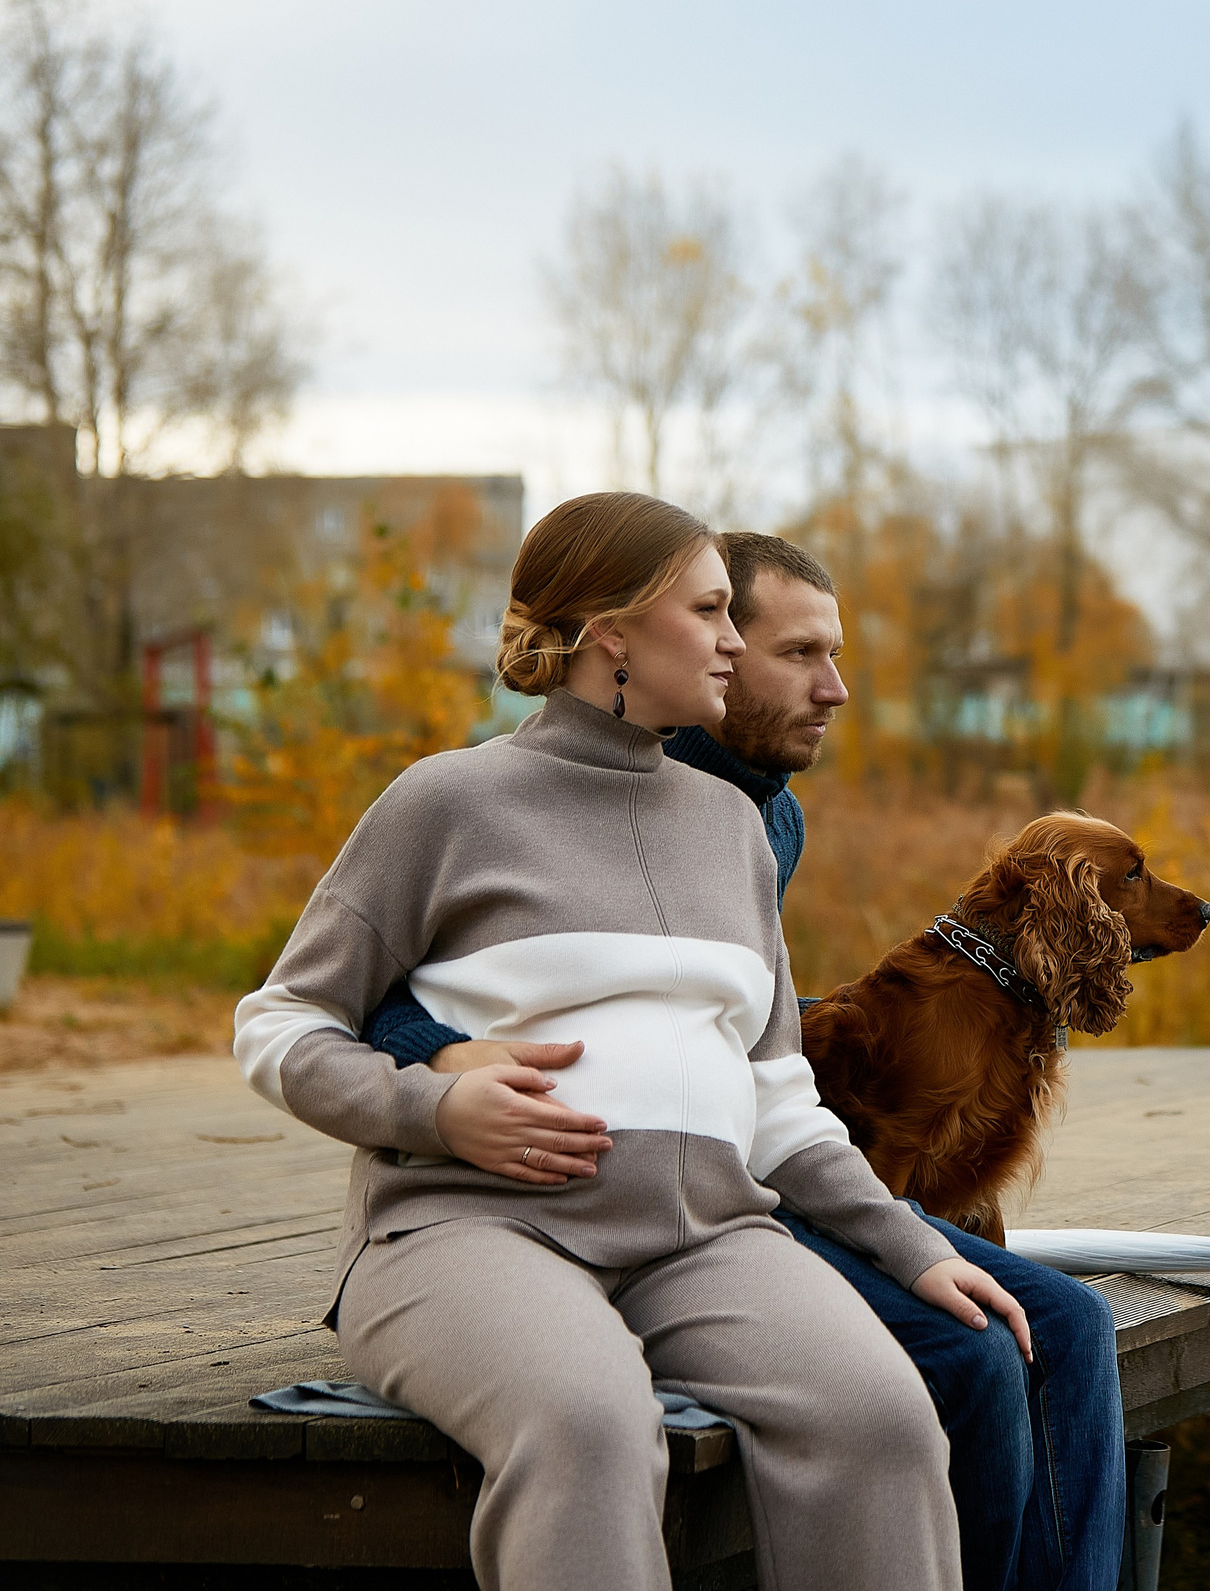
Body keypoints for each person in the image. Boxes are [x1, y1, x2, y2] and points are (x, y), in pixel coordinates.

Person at [235, 492, 1024, 1591]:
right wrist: (430, 1106)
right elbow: (282, 1022)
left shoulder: (729, 829)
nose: (734, 642)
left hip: (703, 1241)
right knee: (588, 1422)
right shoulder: (447, 802)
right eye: (709, 612)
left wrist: (914, 1249)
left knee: (880, 1419)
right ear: (612, 632)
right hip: (471, 1234)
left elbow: (778, 1099)